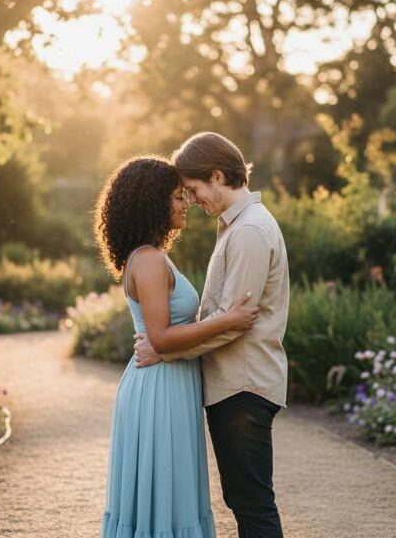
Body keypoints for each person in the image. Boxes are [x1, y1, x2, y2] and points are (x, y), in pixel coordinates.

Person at [134, 132, 290, 538]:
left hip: (243, 385)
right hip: (235, 385)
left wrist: (164, 349)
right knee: (243, 501)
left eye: (194, 189)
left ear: (218, 176)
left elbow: (234, 322)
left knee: (252, 504)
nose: (192, 199)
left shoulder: (250, 231)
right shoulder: (235, 227)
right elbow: (225, 318)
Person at [94, 156, 260, 538]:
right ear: (153, 204)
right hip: (159, 390)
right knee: (166, 497)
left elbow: (162, 337)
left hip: (170, 382)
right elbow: (161, 338)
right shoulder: (149, 261)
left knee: (172, 492)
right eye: (177, 197)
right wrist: (227, 321)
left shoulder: (151, 256)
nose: (186, 204)